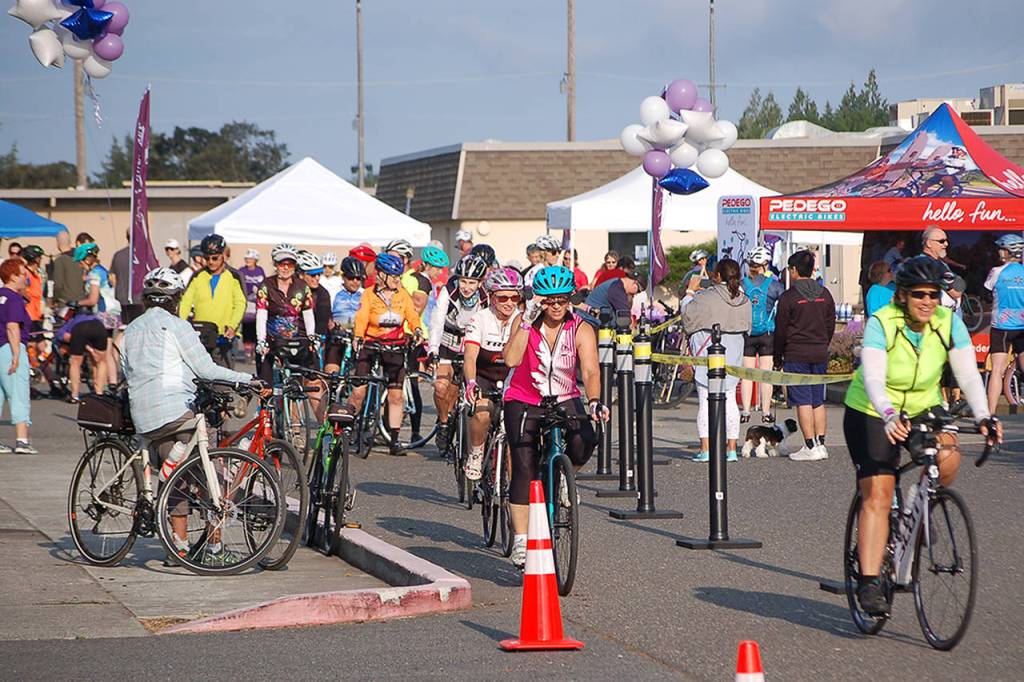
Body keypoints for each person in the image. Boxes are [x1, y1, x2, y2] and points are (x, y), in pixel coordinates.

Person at [842, 255, 1000, 616]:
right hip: (872, 409)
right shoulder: (883, 322)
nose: (929, 301)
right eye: (920, 295)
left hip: (924, 407)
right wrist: (886, 413)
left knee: (948, 458)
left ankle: (916, 508)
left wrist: (984, 416)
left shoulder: (947, 323)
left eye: (934, 294)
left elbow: (969, 374)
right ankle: (869, 581)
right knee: (879, 494)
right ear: (903, 295)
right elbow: (874, 376)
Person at [121, 267, 258, 564]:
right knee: (213, 472)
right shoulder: (177, 326)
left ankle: (177, 548)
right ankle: (213, 548)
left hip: (144, 418)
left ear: (146, 300)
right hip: (175, 410)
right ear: (177, 299)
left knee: (176, 475)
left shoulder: (130, 329)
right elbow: (207, 370)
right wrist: (247, 381)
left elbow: (126, 370)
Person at [503, 265, 605, 568]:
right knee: (523, 465)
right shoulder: (524, 323)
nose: (556, 306)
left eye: (562, 299)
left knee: (587, 437)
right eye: (549, 300)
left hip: (565, 395)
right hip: (523, 397)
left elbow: (589, 370)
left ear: (570, 298)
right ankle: (521, 540)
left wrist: (596, 401)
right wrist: (525, 323)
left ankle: (563, 473)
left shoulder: (581, 328)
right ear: (539, 300)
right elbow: (511, 359)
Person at [348, 253, 422, 455]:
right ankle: (348, 429)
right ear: (380, 275)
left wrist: (416, 330)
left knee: (396, 396)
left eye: (398, 276)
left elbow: (412, 315)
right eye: (392, 276)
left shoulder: (402, 294)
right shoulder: (369, 294)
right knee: (358, 391)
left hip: (395, 345)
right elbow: (362, 317)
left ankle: (394, 440)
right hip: (371, 343)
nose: (397, 279)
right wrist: (358, 336)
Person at [682, 259, 751, 462]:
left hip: (708, 350)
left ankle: (706, 449)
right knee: (730, 398)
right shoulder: (743, 299)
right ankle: (731, 449)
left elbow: (687, 317)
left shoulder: (705, 297)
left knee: (705, 398)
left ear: (718, 275)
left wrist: (689, 292)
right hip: (734, 350)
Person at [773, 250, 836, 462]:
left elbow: (781, 330)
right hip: (819, 351)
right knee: (818, 400)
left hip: (796, 352)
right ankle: (821, 443)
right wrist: (822, 344)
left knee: (803, 400)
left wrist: (777, 357)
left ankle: (809, 445)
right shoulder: (825, 294)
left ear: (793, 270)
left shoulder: (788, 297)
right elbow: (830, 325)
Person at [462, 267, 523, 480]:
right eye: (503, 297)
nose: (509, 302)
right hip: (484, 375)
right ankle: (477, 453)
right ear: (491, 297)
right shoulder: (480, 319)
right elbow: (470, 356)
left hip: (512, 378)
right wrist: (471, 382)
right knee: (482, 410)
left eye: (515, 297)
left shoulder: (522, 320)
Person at [428, 254, 488, 452]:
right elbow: (437, 320)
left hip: (473, 340)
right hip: (448, 339)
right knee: (441, 387)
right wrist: (433, 350)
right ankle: (444, 423)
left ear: (480, 283)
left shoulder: (486, 297)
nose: (467, 287)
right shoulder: (449, 290)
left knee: (465, 389)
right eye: (463, 281)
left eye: (472, 282)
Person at [178, 235, 247, 367]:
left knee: (223, 383)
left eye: (215, 258)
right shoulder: (198, 276)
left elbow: (240, 303)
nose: (210, 262)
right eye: (207, 258)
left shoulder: (234, 276)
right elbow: (185, 302)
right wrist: (180, 324)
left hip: (224, 337)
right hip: (201, 336)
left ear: (223, 256)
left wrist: (232, 326)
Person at [255, 244, 316, 386]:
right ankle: (266, 407)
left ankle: (293, 407)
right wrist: (261, 340)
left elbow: (308, 314)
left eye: (290, 264)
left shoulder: (302, 286)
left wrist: (311, 337)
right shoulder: (266, 285)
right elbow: (262, 314)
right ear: (275, 264)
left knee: (296, 387)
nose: (286, 268)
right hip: (271, 341)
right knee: (266, 387)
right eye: (282, 264)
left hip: (295, 342)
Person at [740, 247, 785, 424]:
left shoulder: (743, 284)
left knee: (747, 374)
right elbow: (781, 308)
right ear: (765, 265)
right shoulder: (774, 285)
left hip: (747, 334)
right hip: (768, 334)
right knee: (766, 374)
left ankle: (745, 411)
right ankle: (766, 412)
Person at [984, 234, 1024, 415]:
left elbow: (986, 291)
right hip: (1022, 326)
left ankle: (991, 415)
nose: (999, 252)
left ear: (1008, 251)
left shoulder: (996, 272)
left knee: (996, 371)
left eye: (1002, 249)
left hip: (1001, 326)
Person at [0, 258, 36, 453]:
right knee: (19, 393)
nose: (25, 278)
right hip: (10, 347)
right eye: (23, 274)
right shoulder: (14, 298)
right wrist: (16, 355)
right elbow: (12, 326)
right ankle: (22, 440)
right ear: (13, 276)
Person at [296, 250, 332, 416]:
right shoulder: (291, 290)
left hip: (310, 342)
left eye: (319, 274)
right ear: (301, 274)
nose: (317, 278)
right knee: (292, 386)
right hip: (289, 340)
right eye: (313, 275)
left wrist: (315, 340)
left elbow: (322, 323)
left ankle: (325, 430)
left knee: (315, 384)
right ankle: (294, 429)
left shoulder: (322, 293)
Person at [54, 305, 108, 403]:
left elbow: (61, 335)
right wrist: (90, 349)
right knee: (101, 362)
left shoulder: (73, 321)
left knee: (75, 362)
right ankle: (99, 392)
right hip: (99, 328)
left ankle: (75, 395)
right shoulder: (96, 318)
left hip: (80, 330)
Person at [325, 256, 366, 373]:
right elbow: (327, 313)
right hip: (337, 338)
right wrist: (331, 322)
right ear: (343, 277)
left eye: (358, 278)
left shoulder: (365, 294)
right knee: (331, 373)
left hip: (358, 339)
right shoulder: (333, 292)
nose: (355, 282)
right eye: (351, 278)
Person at [74, 243, 121, 333]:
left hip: (104, 313)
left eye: (79, 263)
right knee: (109, 342)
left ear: (86, 260)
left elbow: (93, 300)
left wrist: (76, 303)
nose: (79, 266)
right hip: (114, 311)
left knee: (100, 344)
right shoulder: (102, 270)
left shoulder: (94, 274)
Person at [578, 271, 645, 327]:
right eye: (638, 291)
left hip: (590, 322)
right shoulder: (617, 289)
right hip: (590, 324)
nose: (636, 294)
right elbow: (626, 318)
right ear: (634, 283)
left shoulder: (616, 284)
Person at [238, 248, 265, 360]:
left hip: (257, 302)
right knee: (246, 326)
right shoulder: (242, 270)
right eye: (247, 258)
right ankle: (247, 351)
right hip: (246, 301)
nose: (248, 260)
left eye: (251, 259)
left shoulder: (260, 270)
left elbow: (263, 284)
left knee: (256, 324)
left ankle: (254, 350)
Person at [51, 230, 81, 307]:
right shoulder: (80, 258)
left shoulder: (60, 261)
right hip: (83, 301)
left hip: (66, 303)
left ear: (58, 243)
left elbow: (58, 285)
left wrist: (53, 300)